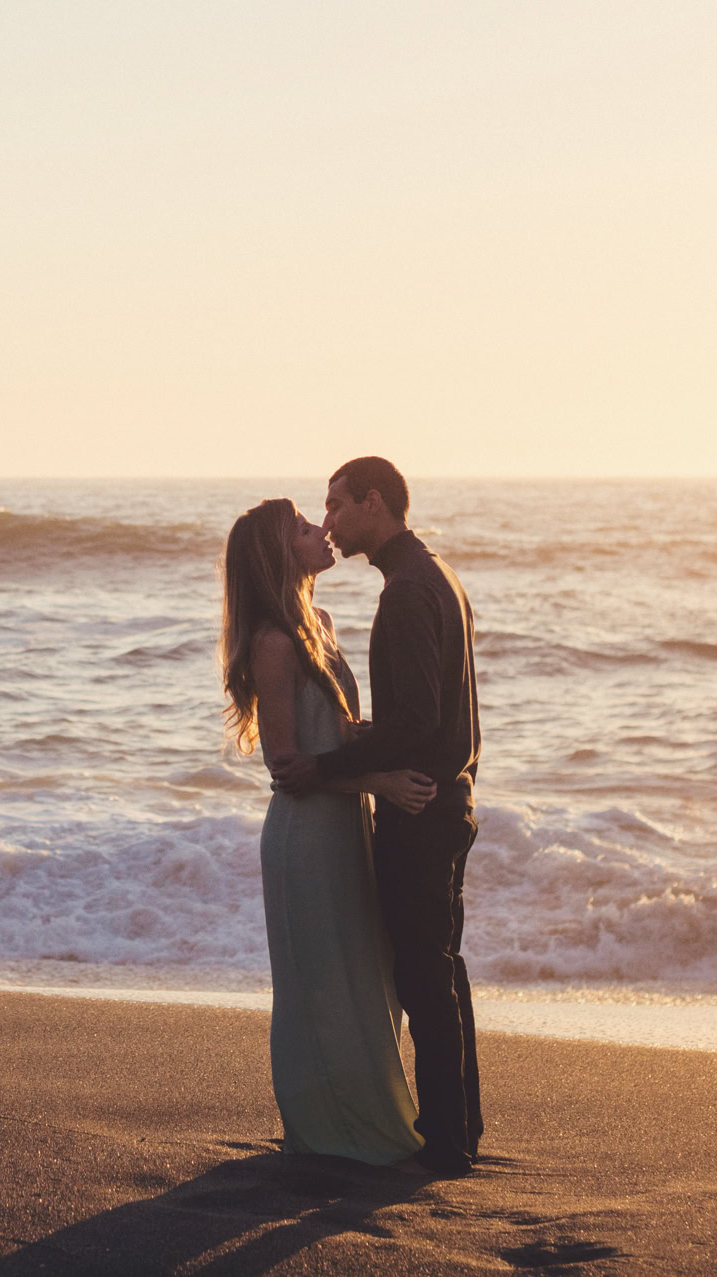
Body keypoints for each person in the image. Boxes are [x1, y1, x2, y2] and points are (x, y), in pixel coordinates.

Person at [271, 457, 483, 1177]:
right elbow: (421, 713)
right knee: (440, 968)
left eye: (335, 505)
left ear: (372, 502)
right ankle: (461, 1125)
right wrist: (366, 735)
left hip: (420, 805)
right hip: (449, 796)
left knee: (424, 975)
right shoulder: (434, 575)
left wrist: (328, 765)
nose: (328, 520)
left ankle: (447, 1141)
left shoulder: (406, 592)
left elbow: (419, 718)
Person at [219, 497, 437, 1169]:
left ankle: (372, 1113)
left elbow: (337, 735)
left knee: (366, 970)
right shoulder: (273, 642)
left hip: (346, 830)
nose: (324, 533)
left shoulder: (319, 622)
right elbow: (286, 766)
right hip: (304, 837)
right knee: (321, 982)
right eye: (307, 530)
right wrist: (379, 783)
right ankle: (326, 1130)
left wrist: (412, 736)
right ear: (279, 553)